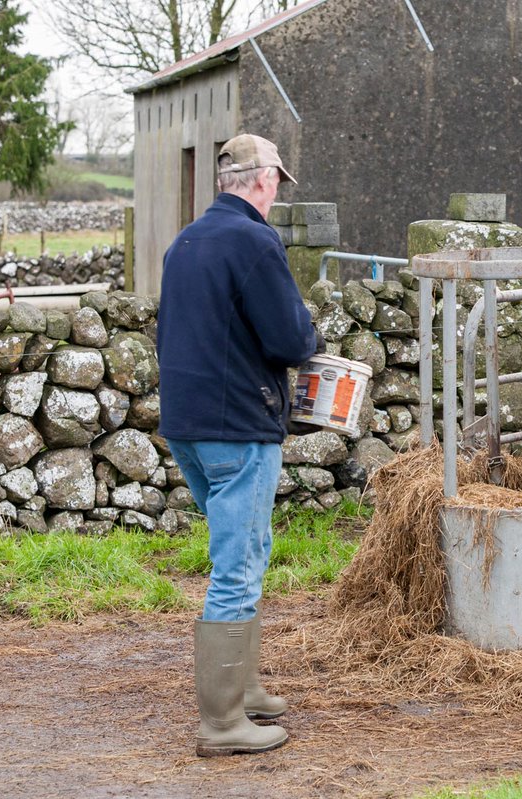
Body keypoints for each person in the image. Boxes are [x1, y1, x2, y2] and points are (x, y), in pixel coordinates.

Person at [156, 133, 318, 757]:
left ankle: (244, 689)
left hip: (187, 423)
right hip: (237, 422)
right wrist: (307, 331)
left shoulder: (186, 241)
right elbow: (287, 340)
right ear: (266, 179)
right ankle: (222, 724)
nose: (276, 192)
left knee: (244, 546)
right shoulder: (255, 240)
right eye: (278, 181)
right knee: (239, 562)